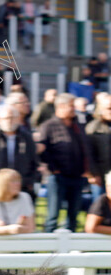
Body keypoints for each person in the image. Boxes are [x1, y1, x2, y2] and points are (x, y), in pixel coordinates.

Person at [37, 93, 90, 232]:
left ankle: (69, 248)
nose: (74, 109)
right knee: (53, 215)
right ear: (60, 107)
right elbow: (41, 149)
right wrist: (53, 168)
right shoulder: (48, 126)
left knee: (73, 214)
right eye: (71, 106)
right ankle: (48, 247)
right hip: (58, 177)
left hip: (77, 176)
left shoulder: (78, 125)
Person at [0, 104, 39, 198]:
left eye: (12, 118)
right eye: (6, 118)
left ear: (18, 119)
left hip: (22, 188)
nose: (9, 121)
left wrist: (29, 182)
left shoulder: (27, 138)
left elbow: (34, 162)